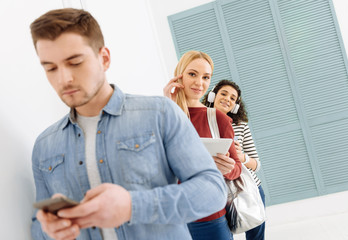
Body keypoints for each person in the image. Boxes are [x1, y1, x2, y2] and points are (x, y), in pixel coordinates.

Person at [29, 8, 227, 240]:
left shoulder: (160, 114)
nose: (63, 79)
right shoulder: (44, 146)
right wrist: (48, 230)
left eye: (75, 62)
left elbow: (212, 191)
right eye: (50, 68)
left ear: (104, 58)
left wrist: (132, 206)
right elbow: (37, 226)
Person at [163, 51, 242, 240]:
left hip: (210, 219)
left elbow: (237, 168)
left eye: (206, 77)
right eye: (192, 74)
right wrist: (167, 105)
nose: (200, 83)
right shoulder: (162, 114)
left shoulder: (218, 118)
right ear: (179, 75)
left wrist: (228, 168)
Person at [202, 79, 266, 240]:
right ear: (212, 96)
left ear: (235, 105)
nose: (227, 99)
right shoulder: (199, 121)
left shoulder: (241, 126)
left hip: (248, 189)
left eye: (232, 98)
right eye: (223, 94)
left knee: (256, 236)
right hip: (218, 190)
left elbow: (256, 164)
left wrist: (241, 156)